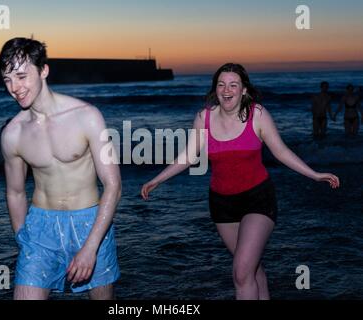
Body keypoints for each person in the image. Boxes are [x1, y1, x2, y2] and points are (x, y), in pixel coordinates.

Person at [141, 63, 340, 300]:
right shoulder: (203, 117)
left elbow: (281, 152)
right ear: (215, 89)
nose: (227, 90)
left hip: (258, 199)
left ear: (244, 89)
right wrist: (157, 180)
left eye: (233, 84)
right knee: (251, 269)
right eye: (221, 84)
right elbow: (188, 156)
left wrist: (314, 174)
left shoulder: (258, 115)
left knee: (241, 272)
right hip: (222, 204)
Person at [0, 37, 121, 300]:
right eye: (7, 79)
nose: (14, 87)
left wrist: (91, 246)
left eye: (21, 76)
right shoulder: (12, 134)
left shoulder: (88, 116)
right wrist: (24, 239)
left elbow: (113, 185)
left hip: (91, 224)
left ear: (43, 70)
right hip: (41, 230)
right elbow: (15, 193)